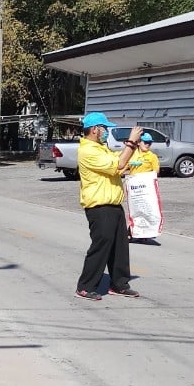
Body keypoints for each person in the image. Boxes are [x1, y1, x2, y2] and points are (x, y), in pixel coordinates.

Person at [75, 112, 143, 301]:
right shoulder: (88, 151)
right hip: (99, 206)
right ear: (94, 129)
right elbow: (118, 164)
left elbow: (120, 164)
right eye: (104, 128)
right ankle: (85, 286)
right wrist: (131, 142)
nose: (106, 131)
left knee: (120, 247)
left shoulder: (101, 148)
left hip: (113, 204)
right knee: (101, 245)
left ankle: (119, 284)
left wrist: (132, 152)